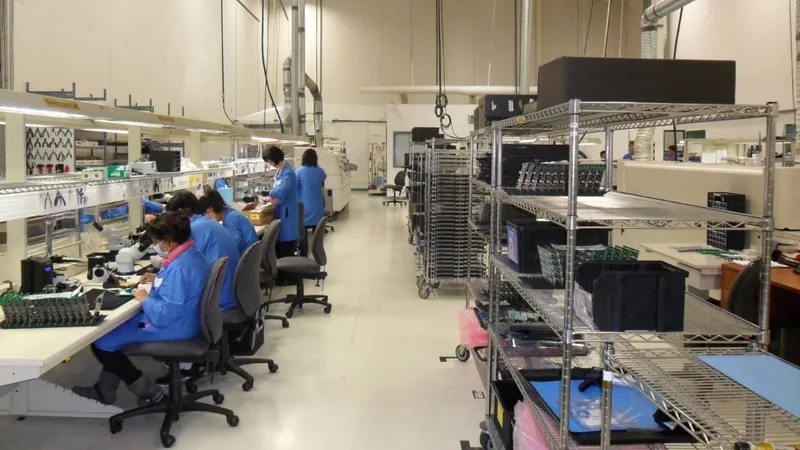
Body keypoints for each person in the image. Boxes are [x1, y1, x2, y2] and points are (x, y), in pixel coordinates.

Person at [72, 212, 210, 405]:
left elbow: (165, 314)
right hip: (189, 320)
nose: (156, 246)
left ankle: (151, 393)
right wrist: (159, 278)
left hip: (174, 326)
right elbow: (181, 288)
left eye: (158, 241)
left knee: (102, 342)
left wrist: (144, 299)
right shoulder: (191, 254)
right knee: (117, 331)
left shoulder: (179, 267)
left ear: (170, 241)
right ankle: (105, 389)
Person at [164, 191, 240, 312]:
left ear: (180, 213)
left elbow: (189, 267)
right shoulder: (208, 222)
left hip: (218, 299)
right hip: (230, 289)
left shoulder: (194, 229)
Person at [263, 146, 299, 259]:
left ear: (276, 158)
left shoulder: (288, 174)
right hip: (280, 212)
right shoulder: (279, 171)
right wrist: (271, 197)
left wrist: (269, 194)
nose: (270, 164)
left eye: (270, 161)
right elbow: (276, 188)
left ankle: (288, 269)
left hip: (287, 214)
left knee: (286, 248)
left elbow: (282, 190)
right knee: (279, 247)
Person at [199, 189, 258, 254]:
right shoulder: (230, 213)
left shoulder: (231, 219)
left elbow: (232, 246)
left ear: (210, 211)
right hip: (252, 254)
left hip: (248, 256)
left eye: (204, 216)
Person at [295, 149, 327, 257]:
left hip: (304, 208)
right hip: (317, 207)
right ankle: (318, 254)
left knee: (303, 234)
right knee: (317, 236)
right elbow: (322, 181)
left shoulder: (298, 172)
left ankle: (304, 255)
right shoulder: (320, 171)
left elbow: (295, 188)